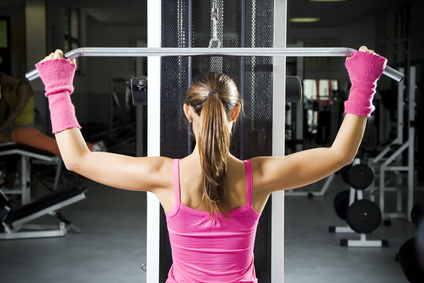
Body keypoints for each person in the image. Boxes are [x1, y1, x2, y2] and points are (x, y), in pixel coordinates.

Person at [35, 46, 387, 283]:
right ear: (236, 112)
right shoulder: (259, 176)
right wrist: (364, 81)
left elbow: (77, 159)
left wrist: (57, 87)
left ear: (188, 111)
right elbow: (340, 154)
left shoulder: (163, 176)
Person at [0, 65, 104, 193]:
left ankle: (90, 148)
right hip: (15, 134)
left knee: (53, 149)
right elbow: (2, 109)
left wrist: (1, 128)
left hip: (23, 132)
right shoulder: (5, 89)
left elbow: (16, 111)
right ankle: (90, 147)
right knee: (50, 147)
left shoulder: (22, 86)